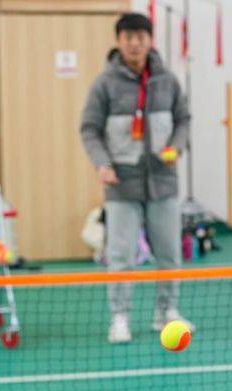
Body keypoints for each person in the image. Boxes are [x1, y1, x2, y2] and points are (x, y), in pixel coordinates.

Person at [80, 13, 192, 344]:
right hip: (121, 184)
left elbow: (183, 119)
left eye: (140, 37)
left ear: (149, 41)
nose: (134, 43)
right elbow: (89, 129)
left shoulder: (167, 80)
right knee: (121, 257)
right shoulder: (104, 84)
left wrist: (176, 146)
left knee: (169, 253)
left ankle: (166, 311)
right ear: (119, 41)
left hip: (163, 181)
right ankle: (120, 317)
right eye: (128, 37)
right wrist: (102, 164)